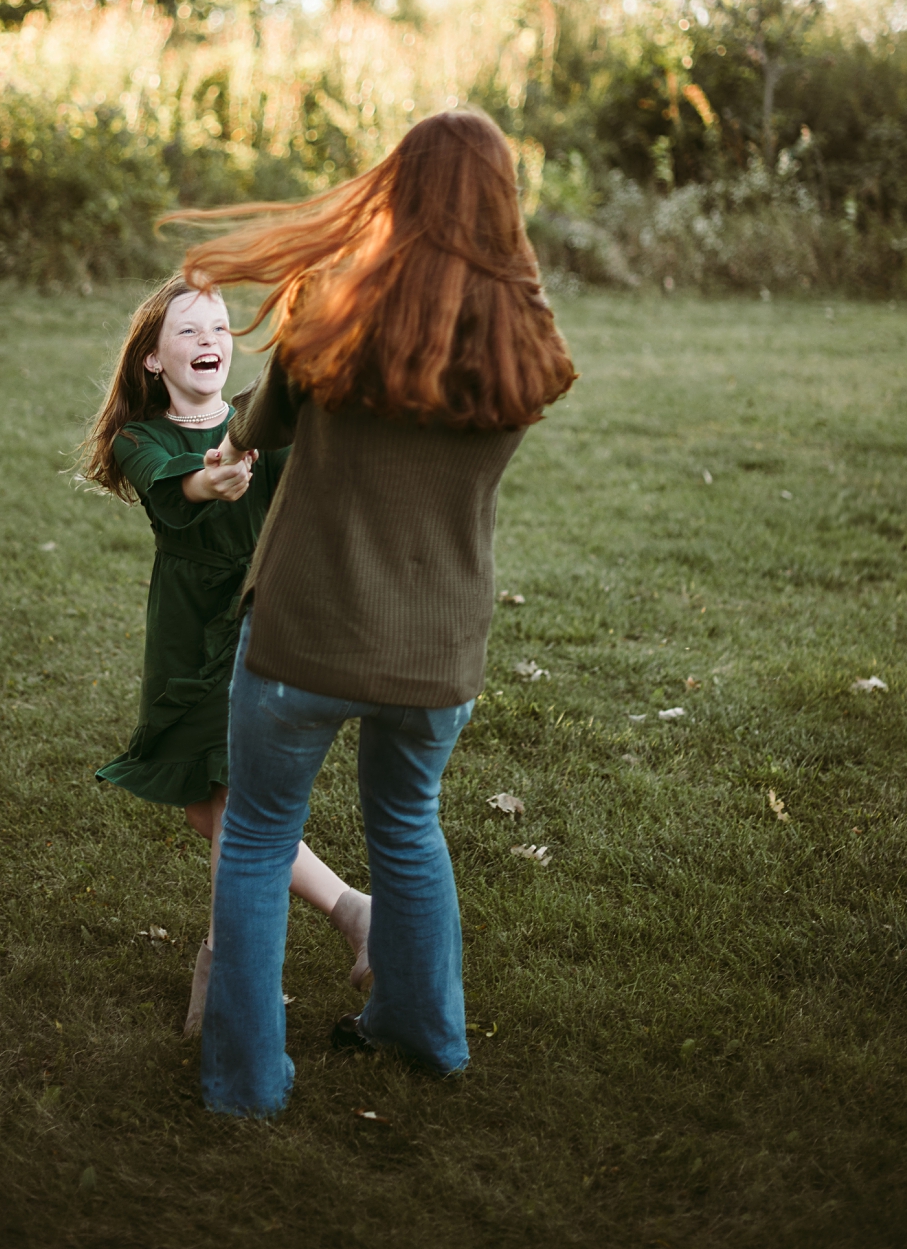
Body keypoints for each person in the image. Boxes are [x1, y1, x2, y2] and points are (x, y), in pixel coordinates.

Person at [168, 107, 578, 1116]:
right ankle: (424, 1033)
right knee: (408, 823)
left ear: (394, 190)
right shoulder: (527, 345)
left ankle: (244, 1085)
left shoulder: (330, 318)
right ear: (501, 205)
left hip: (304, 632)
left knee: (259, 838)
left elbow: (254, 433)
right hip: (437, 655)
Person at [82, 275, 371, 1036]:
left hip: (256, 619)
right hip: (183, 630)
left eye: (218, 327)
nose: (208, 339)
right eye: (187, 331)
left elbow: (313, 412)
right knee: (204, 811)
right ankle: (353, 909)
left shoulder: (257, 417)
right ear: (152, 360)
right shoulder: (138, 439)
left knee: (234, 806)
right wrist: (217, 474)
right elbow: (196, 483)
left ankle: (234, 975)